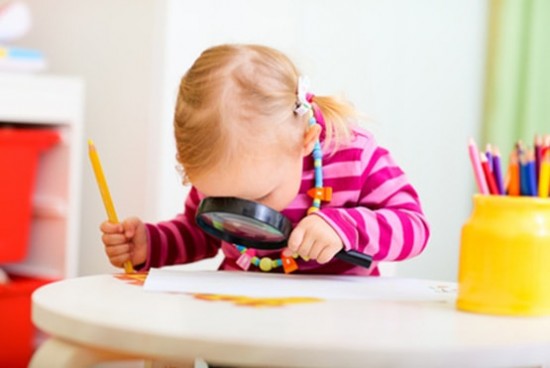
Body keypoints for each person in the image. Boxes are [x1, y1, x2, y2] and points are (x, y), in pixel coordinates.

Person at [100, 44, 430, 276]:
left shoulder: (353, 154)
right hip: (243, 323)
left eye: (259, 199)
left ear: (305, 141)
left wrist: (347, 228)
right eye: (221, 200)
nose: (240, 213)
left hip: (337, 330)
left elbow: (415, 228)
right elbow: (201, 232)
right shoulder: (229, 168)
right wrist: (150, 243)